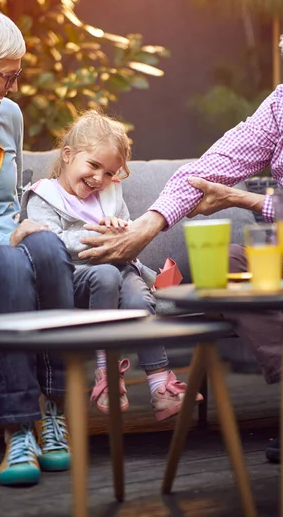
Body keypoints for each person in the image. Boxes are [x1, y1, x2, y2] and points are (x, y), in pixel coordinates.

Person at [77, 10, 283, 462]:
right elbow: (209, 169)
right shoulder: (280, 107)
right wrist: (147, 226)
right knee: (225, 264)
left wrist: (246, 201)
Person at [0, 6, 76, 486]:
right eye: (5, 77)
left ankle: (52, 411)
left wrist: (24, 227)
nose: (11, 88)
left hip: (3, 249)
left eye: (15, 75)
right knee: (9, 259)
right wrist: (7, 238)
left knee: (47, 247)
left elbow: (8, 202)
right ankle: (17, 426)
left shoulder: (8, 116)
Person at [21, 111, 202, 421]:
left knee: (137, 297)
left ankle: (160, 387)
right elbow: (52, 244)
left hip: (122, 268)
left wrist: (121, 228)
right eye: (93, 166)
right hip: (75, 277)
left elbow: (129, 231)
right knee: (105, 275)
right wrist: (102, 237)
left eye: (108, 173)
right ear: (68, 155)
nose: (98, 179)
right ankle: (107, 376)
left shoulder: (110, 191)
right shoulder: (43, 196)